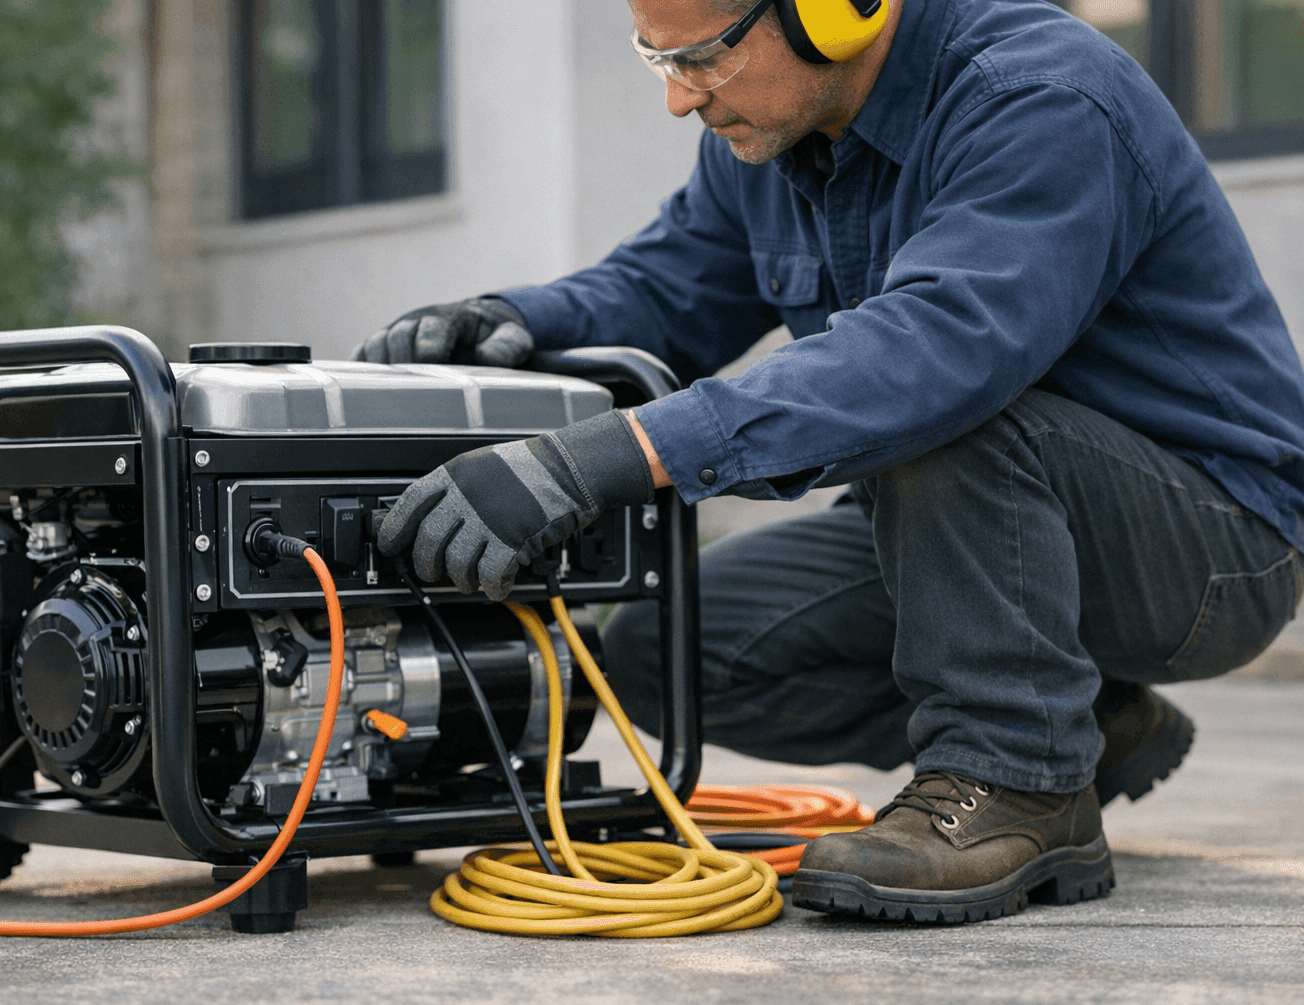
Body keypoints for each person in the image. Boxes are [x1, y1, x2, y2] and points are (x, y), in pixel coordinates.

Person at [361, 0, 1304, 923]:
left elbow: (935, 353)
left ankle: (1017, 776)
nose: (681, 100)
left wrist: (594, 462)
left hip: (1214, 545)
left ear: (833, 11)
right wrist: (518, 321)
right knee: (665, 658)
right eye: (660, 63)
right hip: (967, 517)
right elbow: (668, 286)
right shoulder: (771, 131)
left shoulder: (1043, 96)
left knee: (938, 411)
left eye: (702, 60)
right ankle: (1083, 721)